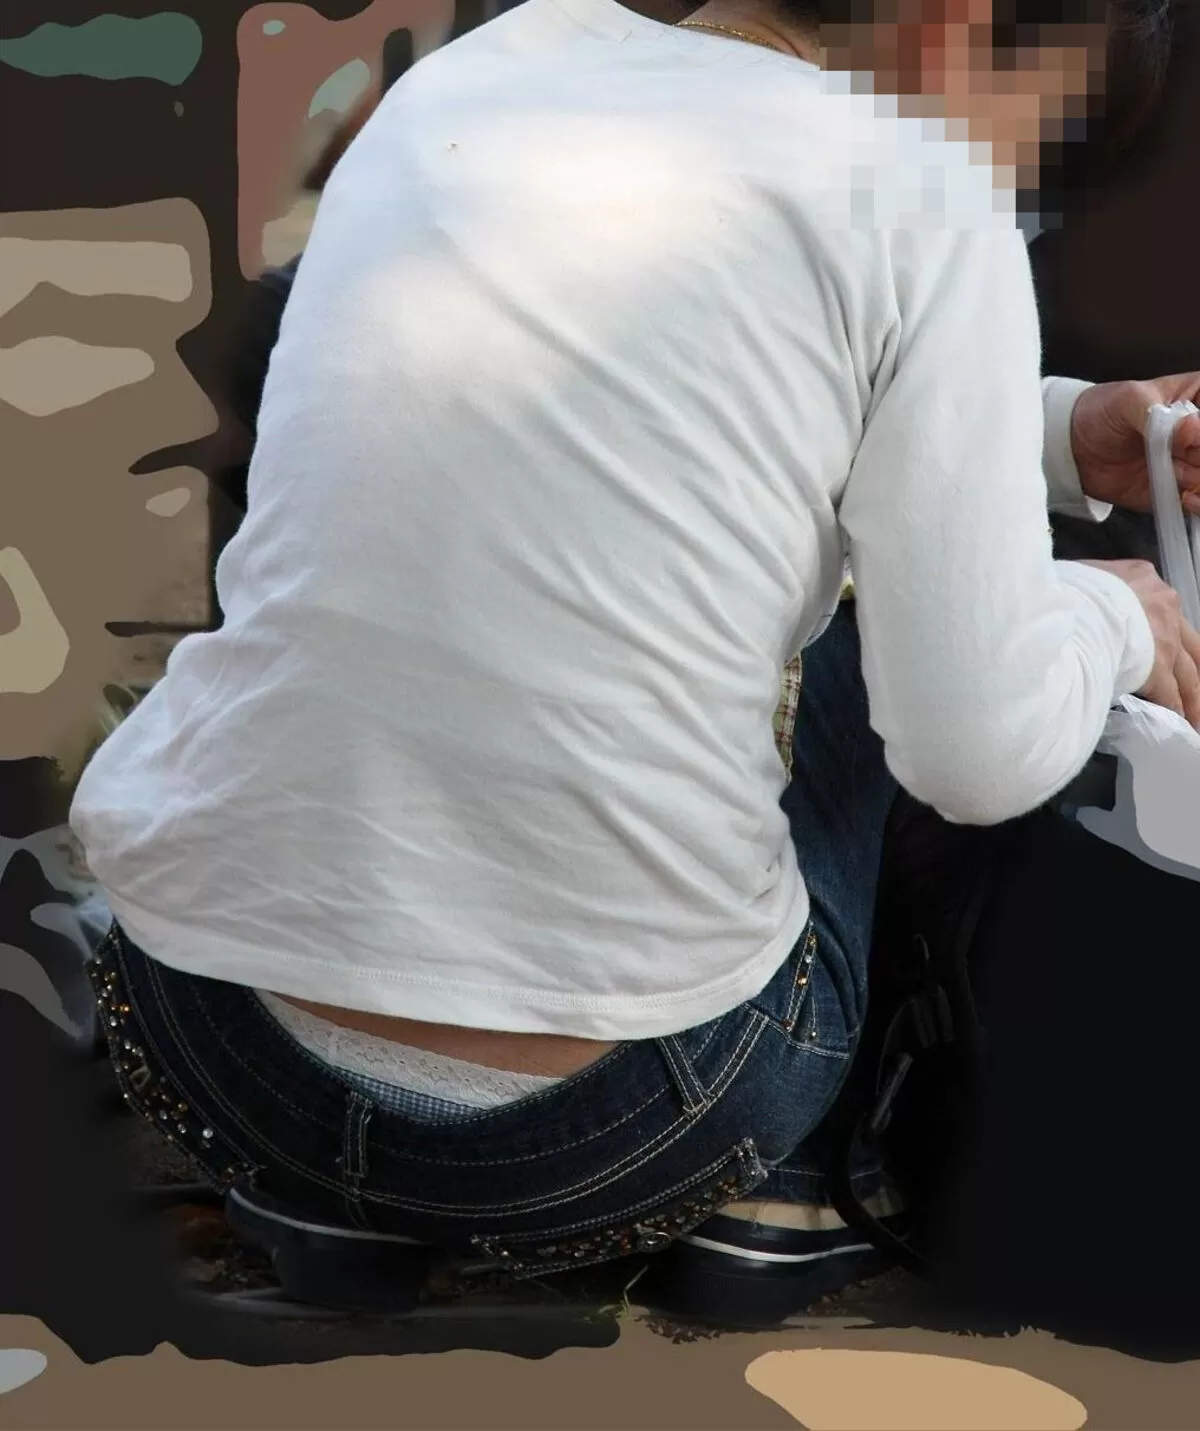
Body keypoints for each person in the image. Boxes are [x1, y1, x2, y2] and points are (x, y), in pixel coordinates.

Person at [72, 0, 1200, 1325]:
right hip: (625, 1116)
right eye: (1043, 139)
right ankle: (793, 1183)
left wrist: (1064, 432)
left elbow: (684, 399)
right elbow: (980, 749)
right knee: (898, 629)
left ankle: (327, 1194)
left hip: (205, 1034)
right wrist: (1109, 612)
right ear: (956, 24)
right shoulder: (922, 187)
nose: (1018, 190)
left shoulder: (482, 70)